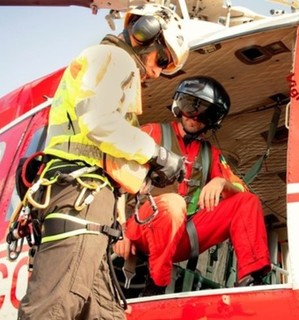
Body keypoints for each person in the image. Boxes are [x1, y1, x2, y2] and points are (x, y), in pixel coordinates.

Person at [17, 4, 189, 320]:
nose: (156, 72)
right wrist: (156, 154)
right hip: (81, 196)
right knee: (54, 307)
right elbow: (99, 122)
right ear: (144, 34)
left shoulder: (107, 63)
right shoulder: (114, 58)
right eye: (162, 60)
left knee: (104, 313)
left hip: (93, 202)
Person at [113, 76, 271, 296]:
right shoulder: (151, 133)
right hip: (141, 229)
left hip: (182, 235)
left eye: (205, 113)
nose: (195, 116)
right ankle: (156, 285)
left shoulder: (211, 154)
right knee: (173, 203)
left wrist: (222, 182)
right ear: (179, 104)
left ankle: (251, 278)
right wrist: (120, 232)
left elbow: (241, 190)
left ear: (212, 121)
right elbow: (115, 182)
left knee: (247, 201)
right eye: (191, 106)